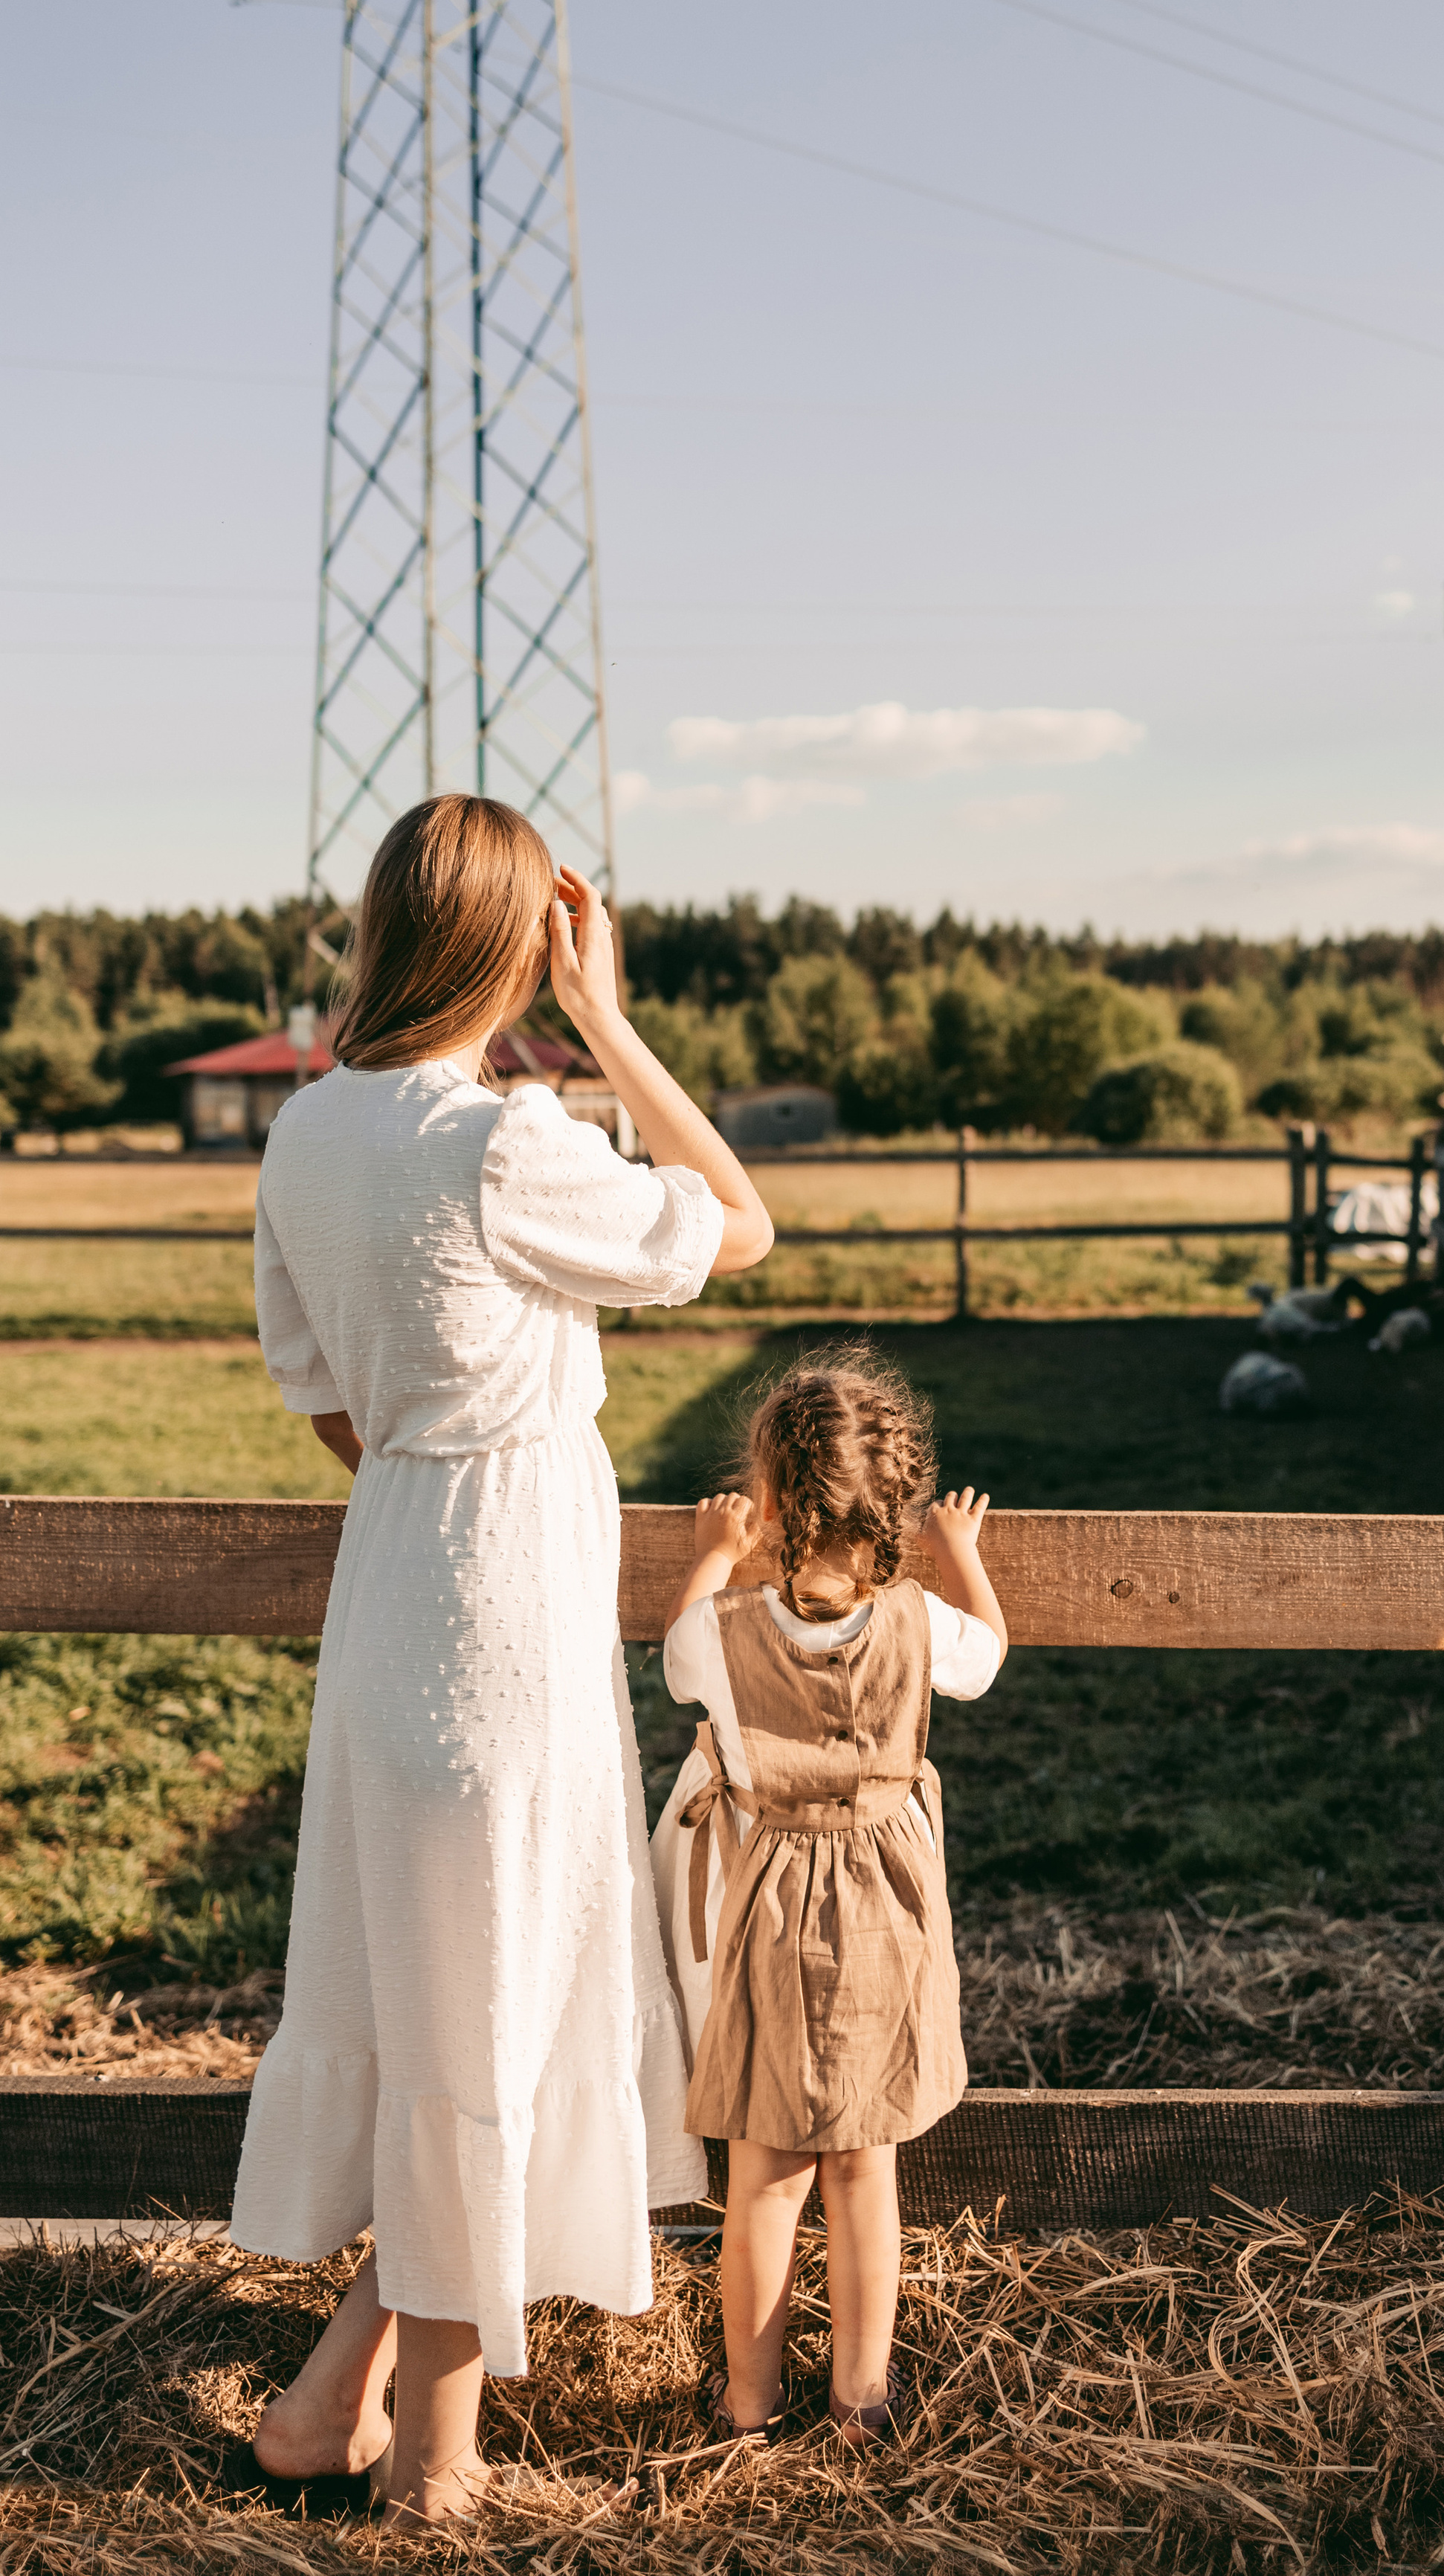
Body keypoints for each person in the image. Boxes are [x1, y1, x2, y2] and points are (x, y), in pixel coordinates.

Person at [224, 794, 773, 2531]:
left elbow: (322, 1399)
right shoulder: (504, 1141)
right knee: (489, 2011)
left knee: (446, 2004)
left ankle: (328, 2413)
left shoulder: (306, 1135)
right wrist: (607, 1022)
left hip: (394, 1575)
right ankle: (442, 2477)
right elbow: (734, 1224)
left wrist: (434, 1441)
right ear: (518, 942)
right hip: (505, 1607)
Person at [648, 1348, 1005, 2445]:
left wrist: (714, 1558)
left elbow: (671, 1667)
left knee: (760, 2179)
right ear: (893, 1502)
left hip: (763, 1902)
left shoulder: (725, 1631)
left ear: (764, 1503)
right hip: (885, 1902)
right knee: (864, 2168)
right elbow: (985, 1658)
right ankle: (862, 2405)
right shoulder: (918, 1621)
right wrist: (960, 1556)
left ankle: (745, 2409)